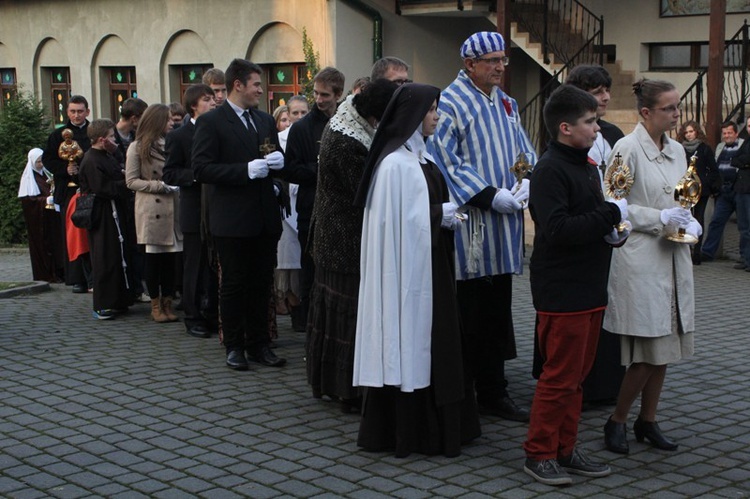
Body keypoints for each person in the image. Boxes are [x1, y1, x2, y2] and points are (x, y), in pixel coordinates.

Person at [352, 83, 480, 458]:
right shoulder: (394, 165)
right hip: (409, 275)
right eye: (431, 110)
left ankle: (444, 428)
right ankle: (411, 432)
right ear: (411, 116)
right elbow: (398, 225)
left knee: (439, 339)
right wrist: (442, 214)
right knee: (415, 341)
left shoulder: (420, 159)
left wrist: (443, 214)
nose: (436, 116)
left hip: (431, 269)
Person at [427, 31, 535, 422]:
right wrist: (489, 195)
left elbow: (523, 146)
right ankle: (467, 389)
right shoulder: (449, 102)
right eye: (492, 61)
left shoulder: (506, 102)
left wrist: (527, 179)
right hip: (472, 225)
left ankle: (495, 388)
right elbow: (444, 158)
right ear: (469, 64)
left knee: (497, 312)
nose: (500, 67)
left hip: (504, 227)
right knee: (469, 314)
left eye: (503, 60)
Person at [523, 85, 628, 485]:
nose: (597, 127)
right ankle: (538, 452)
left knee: (577, 377)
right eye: (590, 122)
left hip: (589, 285)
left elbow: (590, 218)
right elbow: (558, 229)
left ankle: (565, 448)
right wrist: (609, 214)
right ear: (565, 127)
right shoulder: (550, 169)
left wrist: (611, 231)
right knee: (559, 377)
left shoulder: (585, 164)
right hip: (562, 288)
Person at [603, 79, 698, 455]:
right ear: (646, 112)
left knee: (667, 347)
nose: (676, 114)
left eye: (677, 107)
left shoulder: (676, 149)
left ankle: (649, 420)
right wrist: (659, 216)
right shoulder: (626, 148)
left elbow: (684, 193)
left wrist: (689, 219)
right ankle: (618, 420)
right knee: (647, 352)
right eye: (669, 109)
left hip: (674, 254)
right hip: (641, 257)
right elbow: (611, 199)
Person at [306, 78, 398, 412]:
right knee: (347, 315)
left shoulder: (349, 120)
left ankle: (336, 384)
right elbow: (366, 192)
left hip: (337, 234)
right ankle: (347, 389)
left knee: (337, 312)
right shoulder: (347, 141)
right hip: (342, 237)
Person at [192, 58, 286, 370]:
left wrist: (277, 167)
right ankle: (234, 345)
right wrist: (243, 170)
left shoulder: (263, 120)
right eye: (257, 84)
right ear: (238, 85)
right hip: (232, 220)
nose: (261, 90)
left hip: (263, 216)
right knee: (234, 284)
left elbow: (273, 153)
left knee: (261, 284)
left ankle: (259, 343)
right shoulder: (212, 122)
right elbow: (202, 168)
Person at [561, 64, 626, 407]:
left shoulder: (614, 134)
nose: (604, 97)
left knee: (608, 306)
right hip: (580, 231)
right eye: (596, 90)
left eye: (606, 90)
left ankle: (606, 382)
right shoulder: (565, 137)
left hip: (610, 229)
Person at [284, 67, 345, 335]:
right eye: (316, 94)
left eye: (324, 95)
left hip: (343, 211)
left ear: (338, 94)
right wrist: (321, 170)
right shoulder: (301, 129)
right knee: (310, 270)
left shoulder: (347, 122)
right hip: (311, 210)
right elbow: (291, 169)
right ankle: (310, 325)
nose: (318, 100)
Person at [163, 84, 217, 338]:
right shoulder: (179, 136)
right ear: (194, 106)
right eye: (207, 100)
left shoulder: (219, 130)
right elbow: (171, 173)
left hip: (219, 208)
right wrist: (199, 175)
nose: (214, 102)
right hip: (194, 208)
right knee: (194, 264)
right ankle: (193, 316)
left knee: (214, 264)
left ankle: (212, 312)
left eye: (214, 98)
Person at [125, 104, 182, 323]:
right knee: (154, 260)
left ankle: (168, 302)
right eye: (167, 119)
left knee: (170, 261)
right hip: (152, 208)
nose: (172, 123)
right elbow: (131, 181)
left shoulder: (171, 143)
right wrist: (160, 185)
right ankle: (156, 304)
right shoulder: (137, 147)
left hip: (172, 206)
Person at [78, 119, 134, 320]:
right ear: (102, 139)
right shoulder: (92, 160)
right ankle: (103, 303)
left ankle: (119, 299)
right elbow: (102, 188)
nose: (113, 140)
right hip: (102, 213)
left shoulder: (105, 155)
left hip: (115, 211)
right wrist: (126, 183)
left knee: (118, 255)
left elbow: (117, 168)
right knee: (105, 256)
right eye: (111, 137)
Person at [42, 95, 92, 293]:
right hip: (68, 191)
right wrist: (65, 169)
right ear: (67, 112)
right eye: (73, 111)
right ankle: (76, 278)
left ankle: (93, 277)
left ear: (87, 111)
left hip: (90, 189)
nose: (77, 115)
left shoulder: (93, 131)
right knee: (72, 235)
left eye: (80, 111)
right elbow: (48, 159)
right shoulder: (58, 135)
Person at [17, 148, 64, 282]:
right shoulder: (29, 178)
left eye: (42, 161)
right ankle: (47, 274)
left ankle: (59, 271)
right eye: (38, 162)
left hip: (52, 218)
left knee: (57, 245)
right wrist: (44, 201)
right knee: (44, 246)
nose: (41, 164)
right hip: (39, 221)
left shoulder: (46, 175)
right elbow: (28, 201)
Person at [701, 121, 744, 264]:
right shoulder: (720, 147)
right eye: (724, 133)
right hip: (724, 191)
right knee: (716, 222)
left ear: (736, 133)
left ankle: (745, 256)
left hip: (738, 189)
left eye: (729, 133)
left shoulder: (743, 145)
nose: (727, 136)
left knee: (744, 225)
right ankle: (707, 252)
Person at [676, 120, 718, 265]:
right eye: (686, 132)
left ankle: (697, 251)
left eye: (691, 131)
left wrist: (707, 183)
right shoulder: (679, 149)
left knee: (699, 218)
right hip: (685, 189)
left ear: (697, 132)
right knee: (684, 217)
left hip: (701, 189)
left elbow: (713, 169)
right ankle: (684, 249)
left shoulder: (704, 148)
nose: (689, 135)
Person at [728, 116, 750, 272]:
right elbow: (734, 159)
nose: (749, 128)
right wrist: (744, 162)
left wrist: (743, 161)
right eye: (748, 125)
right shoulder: (747, 141)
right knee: (743, 226)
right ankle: (744, 257)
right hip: (741, 188)